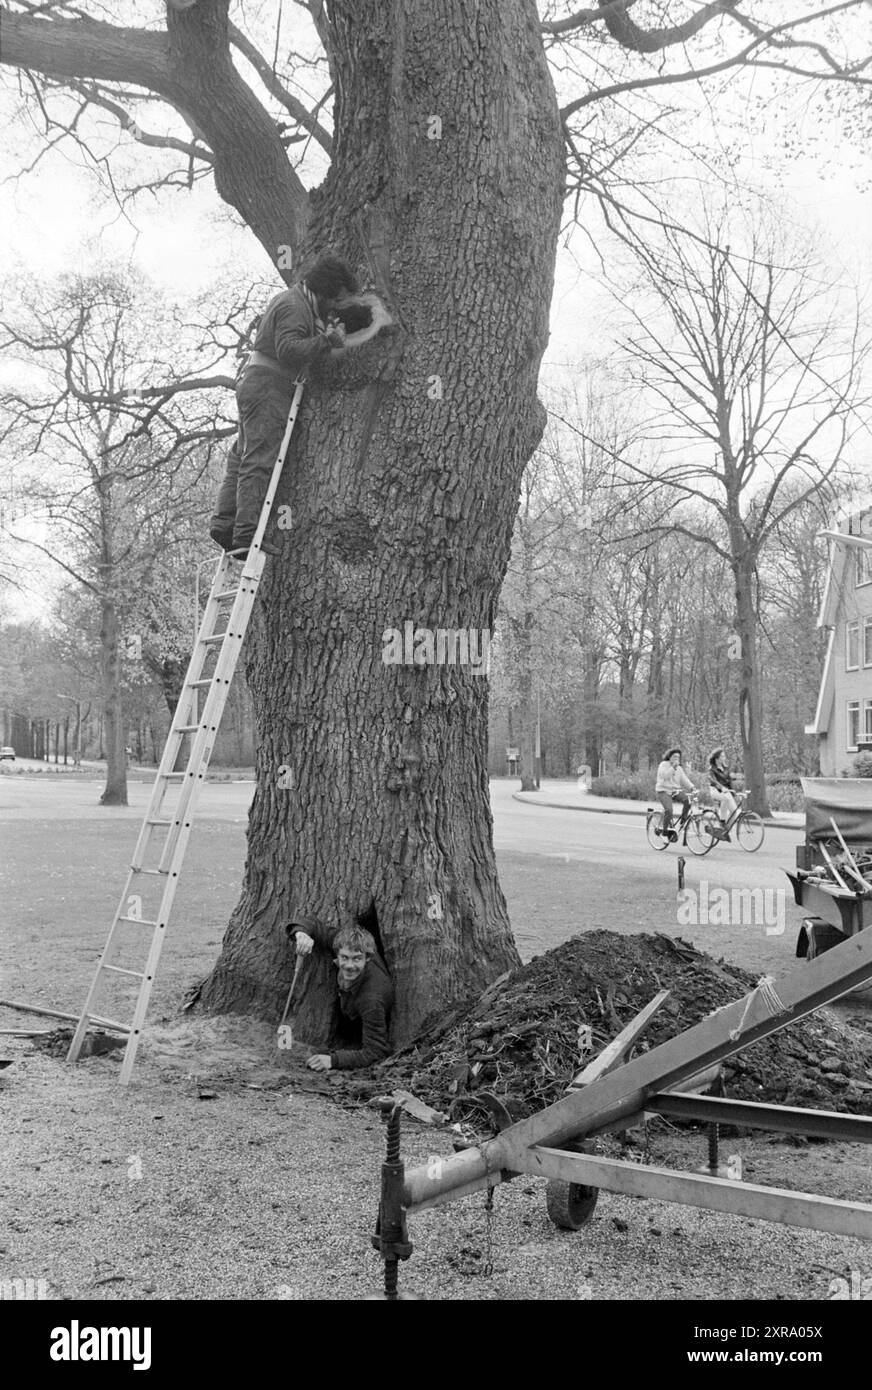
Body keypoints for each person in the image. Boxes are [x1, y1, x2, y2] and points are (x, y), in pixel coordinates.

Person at [210, 253, 360, 560]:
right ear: (325, 290)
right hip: (268, 385)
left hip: (255, 382)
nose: (336, 307)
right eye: (336, 299)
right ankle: (247, 534)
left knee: (242, 455)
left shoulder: (296, 302)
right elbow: (289, 350)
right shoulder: (295, 306)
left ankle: (225, 523)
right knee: (260, 458)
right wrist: (326, 341)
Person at [285, 917, 393, 1071]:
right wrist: (302, 934)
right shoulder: (343, 943)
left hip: (359, 1018)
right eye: (344, 958)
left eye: (357, 959)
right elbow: (313, 924)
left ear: (368, 958)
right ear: (338, 953)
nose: (349, 965)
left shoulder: (372, 999)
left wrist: (334, 1060)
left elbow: (376, 1051)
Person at [654, 747, 694, 839]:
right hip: (663, 790)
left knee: (688, 801)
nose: (676, 759)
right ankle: (664, 834)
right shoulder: (663, 764)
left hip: (674, 791)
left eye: (678, 757)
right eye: (674, 756)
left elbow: (684, 780)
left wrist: (692, 787)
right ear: (670, 757)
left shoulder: (679, 768)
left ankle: (683, 822)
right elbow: (665, 776)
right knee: (669, 810)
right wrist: (673, 767)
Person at [708, 746, 738, 841]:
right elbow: (713, 781)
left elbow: (729, 781)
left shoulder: (726, 768)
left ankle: (724, 831)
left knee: (734, 812)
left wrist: (734, 793)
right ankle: (722, 821)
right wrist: (722, 787)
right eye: (722, 756)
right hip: (715, 791)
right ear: (717, 758)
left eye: (724, 756)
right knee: (726, 798)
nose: (724, 758)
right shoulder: (712, 769)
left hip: (726, 792)